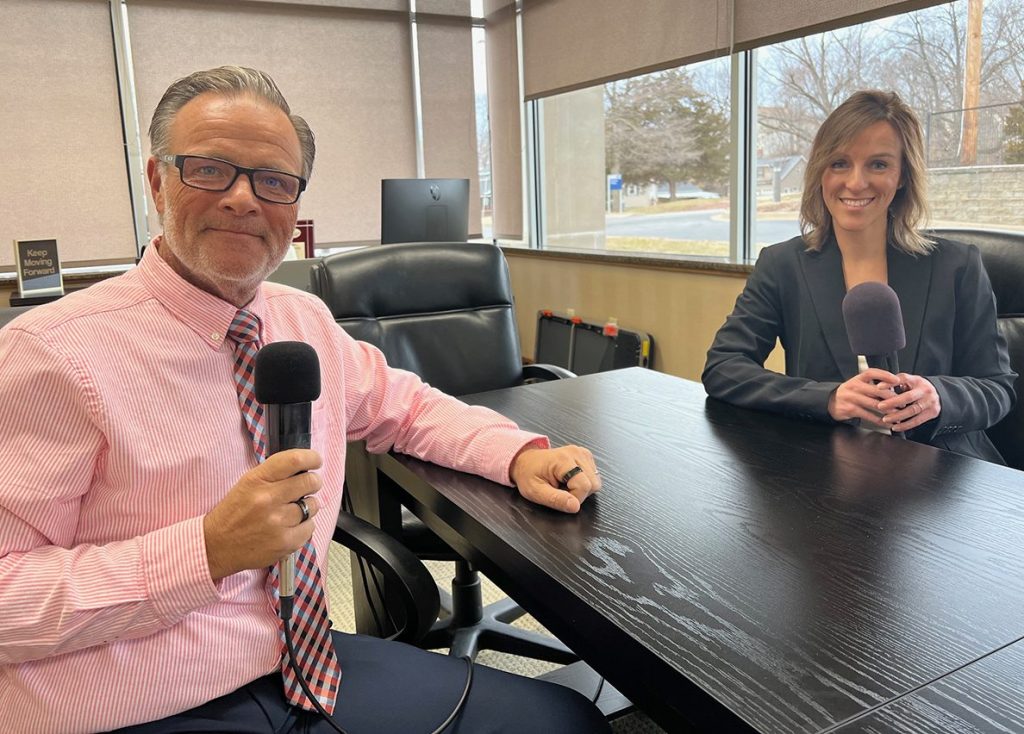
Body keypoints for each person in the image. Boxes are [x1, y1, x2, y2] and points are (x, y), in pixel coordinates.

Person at [0, 66, 610, 734]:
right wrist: (206, 551)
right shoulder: (52, 352)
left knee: (566, 721)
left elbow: (405, 406)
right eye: (210, 170)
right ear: (157, 181)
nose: (242, 199)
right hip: (131, 702)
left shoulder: (303, 318)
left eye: (273, 181)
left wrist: (516, 454)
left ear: (295, 206)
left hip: (301, 656)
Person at [703, 90, 1015, 463]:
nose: (855, 182)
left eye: (878, 165)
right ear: (820, 171)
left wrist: (940, 397)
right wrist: (827, 398)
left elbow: (997, 388)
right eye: (839, 163)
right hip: (827, 467)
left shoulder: (958, 265)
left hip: (939, 469)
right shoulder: (782, 265)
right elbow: (724, 368)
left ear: (902, 176)